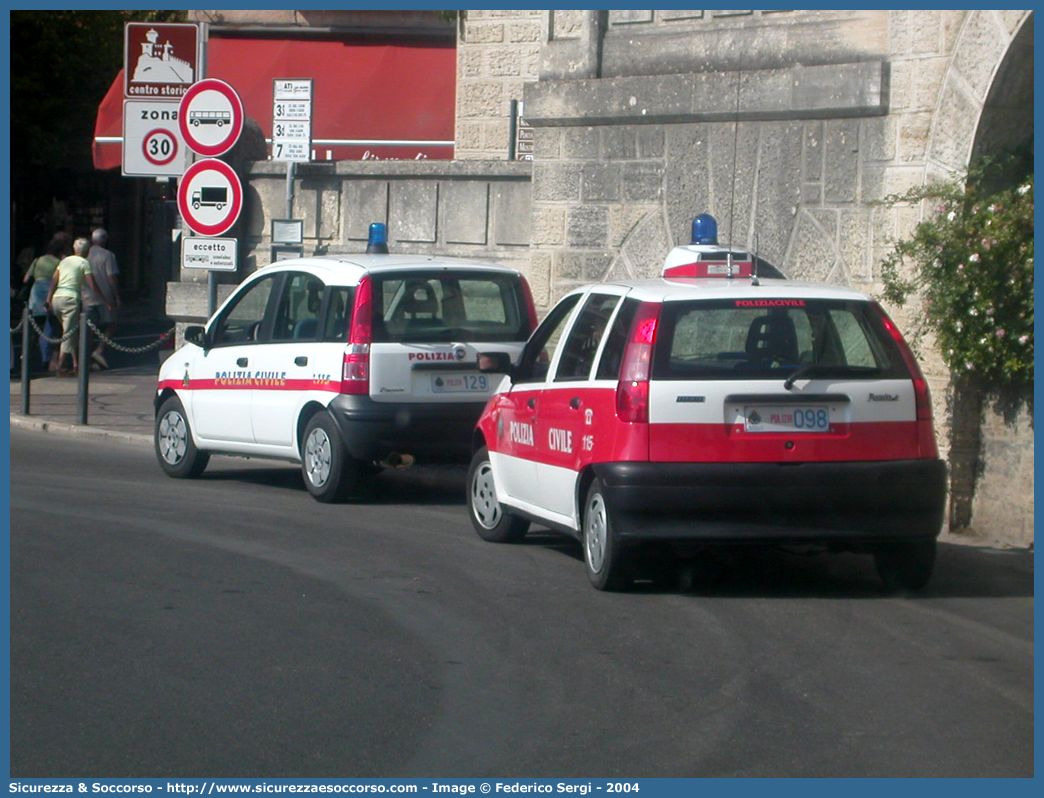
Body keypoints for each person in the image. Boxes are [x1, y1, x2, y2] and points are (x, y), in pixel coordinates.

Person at [46, 237, 107, 376]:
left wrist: (48, 299)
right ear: (87, 251)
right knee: (68, 333)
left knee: (70, 330)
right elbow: (92, 284)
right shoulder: (84, 263)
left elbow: (53, 280)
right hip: (71, 299)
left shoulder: (64, 261)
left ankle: (75, 363)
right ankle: (60, 365)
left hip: (57, 297)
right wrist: (104, 299)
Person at [23, 233, 70, 371]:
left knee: (36, 327)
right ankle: (51, 360)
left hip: (36, 294)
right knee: (54, 328)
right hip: (52, 294)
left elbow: (26, 279)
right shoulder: (59, 263)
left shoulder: (37, 260)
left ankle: (28, 355)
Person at [83, 227, 121, 369]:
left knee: (89, 328)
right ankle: (99, 349)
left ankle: (87, 359)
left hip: (87, 296)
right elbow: (111, 276)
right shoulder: (108, 255)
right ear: (104, 239)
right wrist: (116, 295)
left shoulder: (84, 254)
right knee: (112, 323)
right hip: (105, 296)